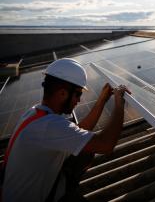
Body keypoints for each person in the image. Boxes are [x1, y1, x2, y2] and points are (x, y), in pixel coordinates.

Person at [2, 58, 130, 202]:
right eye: (78, 94)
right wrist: (119, 104)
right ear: (63, 93)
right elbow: (106, 145)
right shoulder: (49, 126)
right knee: (88, 148)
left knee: (84, 149)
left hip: (35, 188)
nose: (79, 100)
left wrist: (102, 100)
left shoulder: (35, 113)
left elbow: (78, 131)